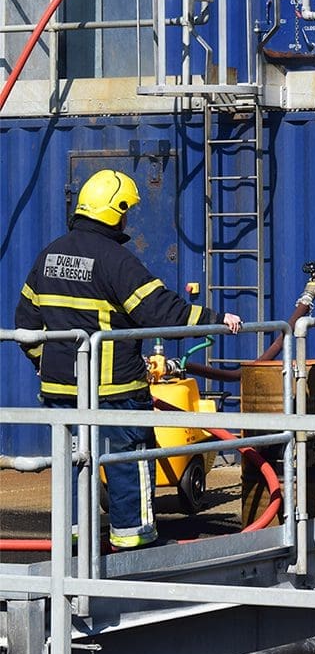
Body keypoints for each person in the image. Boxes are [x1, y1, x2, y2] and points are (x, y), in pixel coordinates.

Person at [14, 169, 241, 550]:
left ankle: (74, 542)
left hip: (60, 392)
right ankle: (132, 543)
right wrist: (216, 320)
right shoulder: (115, 259)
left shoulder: (49, 255)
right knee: (127, 464)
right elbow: (159, 311)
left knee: (72, 465)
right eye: (126, 212)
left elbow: (26, 323)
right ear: (116, 211)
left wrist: (43, 363)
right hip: (113, 391)